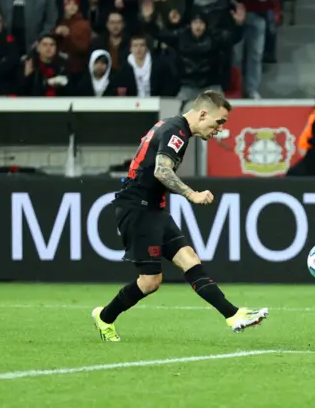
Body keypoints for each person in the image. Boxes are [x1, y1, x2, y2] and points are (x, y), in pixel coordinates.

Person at [91, 91, 268, 342]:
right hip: (137, 209)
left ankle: (233, 314)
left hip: (152, 208)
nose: (219, 130)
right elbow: (162, 171)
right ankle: (105, 317)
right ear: (203, 113)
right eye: (219, 122)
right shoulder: (176, 131)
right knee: (150, 282)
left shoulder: (173, 126)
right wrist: (191, 194)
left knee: (189, 259)